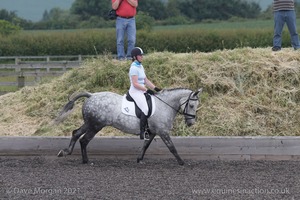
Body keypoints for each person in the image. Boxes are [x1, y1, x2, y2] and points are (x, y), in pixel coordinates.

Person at [128, 47, 161, 140]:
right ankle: (142, 132)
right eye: (140, 55)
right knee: (145, 109)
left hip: (141, 90)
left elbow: (145, 80)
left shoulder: (140, 66)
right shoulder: (134, 68)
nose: (142, 57)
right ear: (135, 57)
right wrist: (146, 90)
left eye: (142, 55)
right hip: (135, 91)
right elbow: (135, 84)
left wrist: (155, 88)